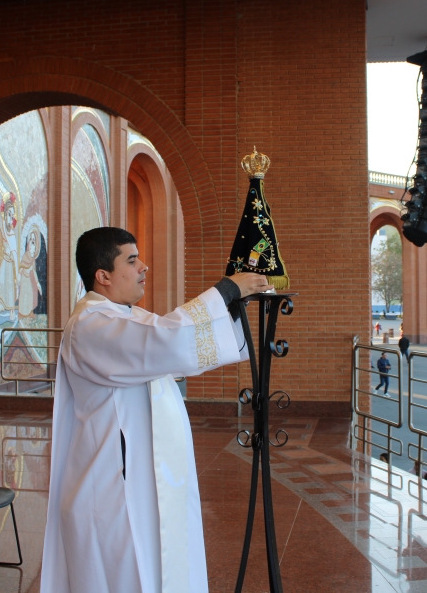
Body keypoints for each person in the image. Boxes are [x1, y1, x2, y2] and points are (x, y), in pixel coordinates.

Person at [40, 228, 269, 593]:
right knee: (128, 576)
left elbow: (171, 346)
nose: (143, 267)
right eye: (132, 260)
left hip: (141, 481)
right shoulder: (91, 324)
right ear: (103, 276)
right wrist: (226, 291)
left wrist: (235, 310)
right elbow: (167, 340)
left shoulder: (125, 317)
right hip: (113, 489)